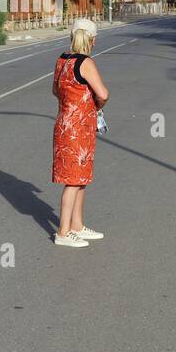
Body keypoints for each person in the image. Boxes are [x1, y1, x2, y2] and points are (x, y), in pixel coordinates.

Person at [51, 18, 109, 248]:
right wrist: (94, 105)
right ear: (92, 40)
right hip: (79, 127)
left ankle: (77, 225)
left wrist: (71, 103)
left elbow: (55, 90)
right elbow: (103, 94)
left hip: (65, 124)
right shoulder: (86, 63)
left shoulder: (61, 60)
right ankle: (63, 232)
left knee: (80, 178)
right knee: (73, 182)